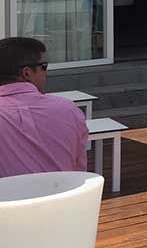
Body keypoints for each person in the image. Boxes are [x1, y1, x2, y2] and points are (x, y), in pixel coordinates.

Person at [0, 37, 87, 178]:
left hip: (10, 193)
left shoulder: (67, 109)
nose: (46, 73)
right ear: (27, 73)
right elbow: (79, 169)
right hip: (64, 191)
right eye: (44, 66)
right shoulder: (68, 109)